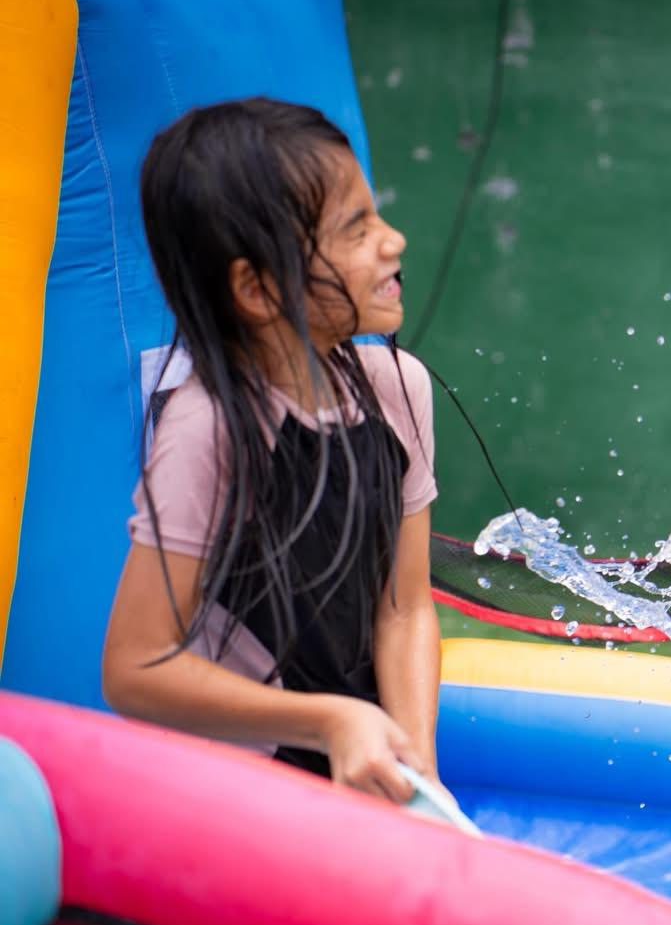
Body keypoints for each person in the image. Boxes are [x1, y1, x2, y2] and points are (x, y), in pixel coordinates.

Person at [102, 97, 441, 806]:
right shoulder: (210, 431)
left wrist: (416, 778)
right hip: (238, 795)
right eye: (356, 229)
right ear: (257, 288)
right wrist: (333, 720)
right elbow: (136, 667)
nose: (394, 240)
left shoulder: (396, 386)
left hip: (355, 761)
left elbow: (404, 606)